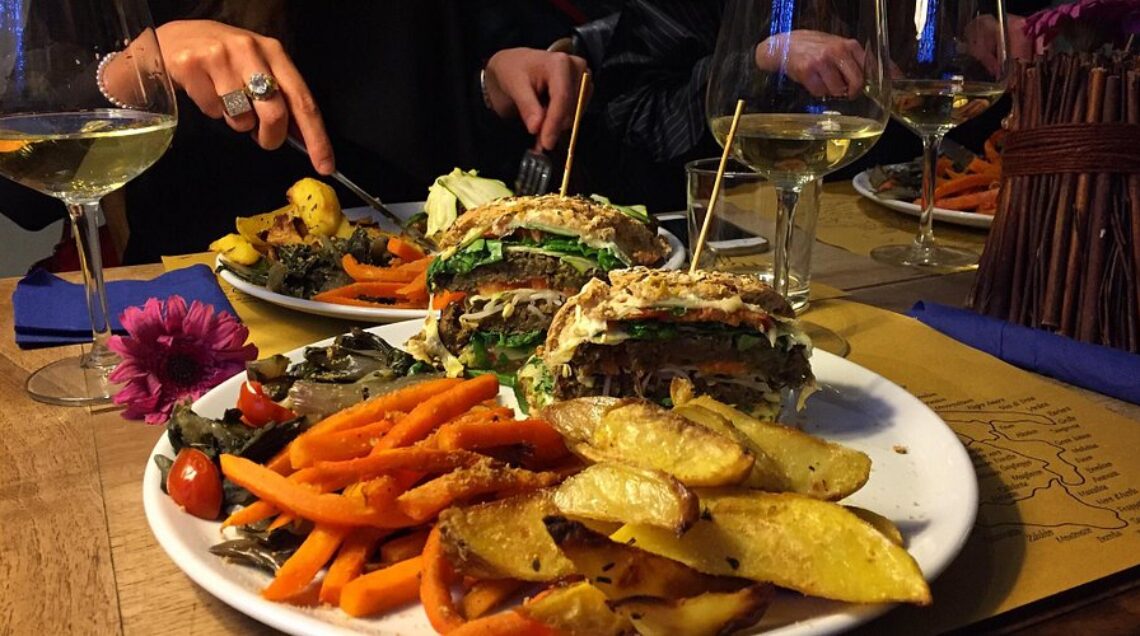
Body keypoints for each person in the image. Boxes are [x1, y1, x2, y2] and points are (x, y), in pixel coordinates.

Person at [1, 1, 608, 265]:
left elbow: (449, 83)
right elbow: (20, 189)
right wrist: (134, 73)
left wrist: (494, 81)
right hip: (199, 308)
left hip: (437, 290)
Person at [591, 0, 1041, 212]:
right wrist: (761, 61)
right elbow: (629, 117)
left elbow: (951, 130)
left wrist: (980, 49)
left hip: (883, 244)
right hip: (709, 244)